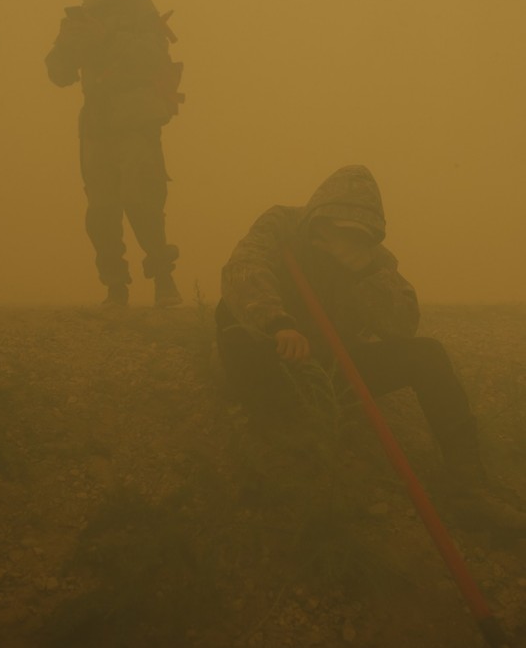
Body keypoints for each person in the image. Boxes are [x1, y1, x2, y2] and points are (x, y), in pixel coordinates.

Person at [216, 164, 526, 531]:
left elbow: (401, 327)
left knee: (427, 355)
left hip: (333, 369)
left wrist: (366, 273)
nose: (348, 236)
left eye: (360, 233)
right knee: (232, 324)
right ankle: (276, 444)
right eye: (340, 225)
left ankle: (468, 485)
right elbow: (244, 266)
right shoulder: (282, 224)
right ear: (321, 214)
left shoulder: (375, 260)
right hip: (272, 362)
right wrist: (278, 323)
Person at [45, 0, 183, 307]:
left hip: (136, 118)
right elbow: (58, 74)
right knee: (101, 210)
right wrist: (67, 45)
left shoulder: (136, 5)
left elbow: (155, 55)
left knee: (143, 198)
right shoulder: (78, 19)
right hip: (96, 124)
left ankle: (163, 279)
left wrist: (108, 38)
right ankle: (115, 286)